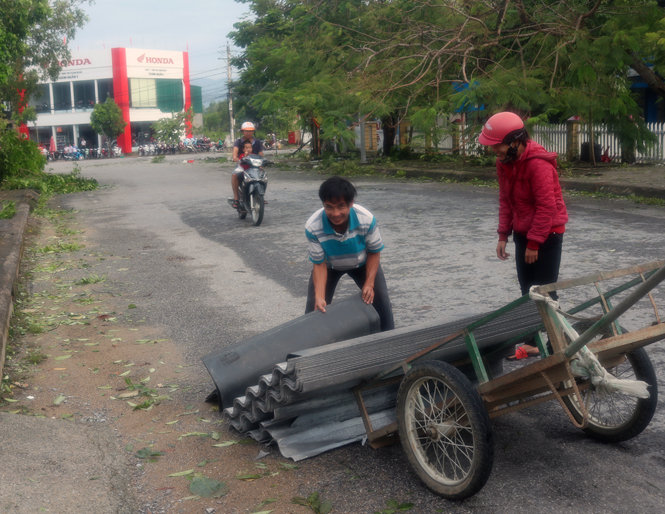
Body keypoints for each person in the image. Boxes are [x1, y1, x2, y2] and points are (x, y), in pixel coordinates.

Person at [479, 111, 568, 359]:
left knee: (545, 291)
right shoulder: (504, 164)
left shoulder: (539, 165)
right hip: (523, 232)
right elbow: (506, 200)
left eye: (497, 146)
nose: (494, 151)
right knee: (527, 290)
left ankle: (554, 343)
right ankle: (533, 341)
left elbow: (546, 207)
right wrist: (502, 235)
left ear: (515, 141)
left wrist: (534, 243)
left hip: (547, 234)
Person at [305, 176, 395, 331]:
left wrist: (369, 283)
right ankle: (309, 348)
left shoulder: (366, 219)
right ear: (323, 204)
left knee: (381, 301)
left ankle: (389, 338)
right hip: (329, 266)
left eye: (341, 206)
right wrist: (319, 297)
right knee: (315, 308)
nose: (336, 213)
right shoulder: (313, 226)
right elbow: (319, 265)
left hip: (363, 263)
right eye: (329, 207)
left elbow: (374, 252)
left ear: (351, 203)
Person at [231, 122, 265, 208]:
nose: (248, 133)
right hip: (242, 166)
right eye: (246, 131)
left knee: (263, 177)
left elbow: (261, 155)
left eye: (250, 131)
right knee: (234, 175)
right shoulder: (238, 142)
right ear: (242, 131)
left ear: (253, 132)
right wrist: (236, 158)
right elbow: (235, 155)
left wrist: (262, 164)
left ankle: (261, 195)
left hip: (254, 166)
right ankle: (236, 197)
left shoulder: (257, 142)